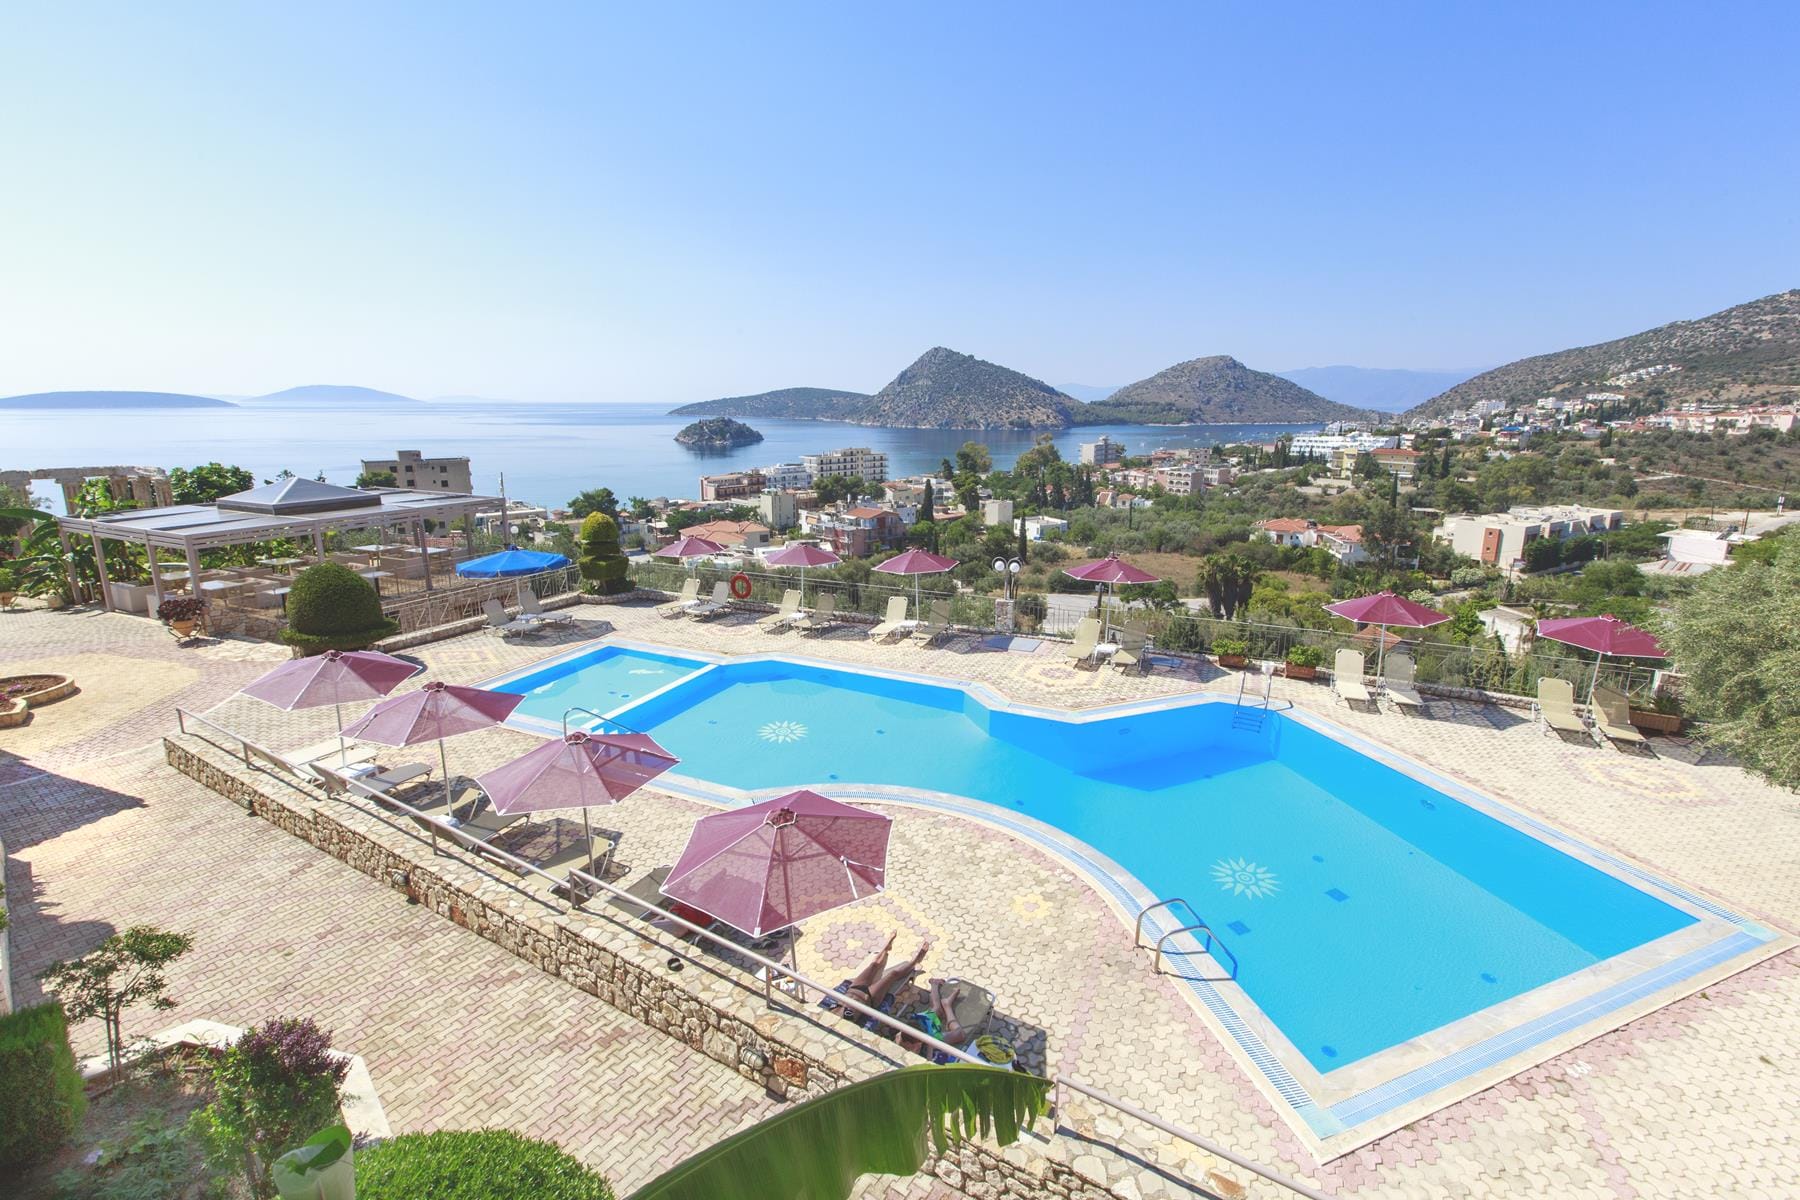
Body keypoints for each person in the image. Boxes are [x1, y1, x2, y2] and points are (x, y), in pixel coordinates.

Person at [822, 934, 930, 1024]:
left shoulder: (824, 1017)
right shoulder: (843, 1026)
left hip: (853, 990)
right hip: (869, 998)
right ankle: (916, 960)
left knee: (873, 965)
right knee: (892, 974)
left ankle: (885, 949)